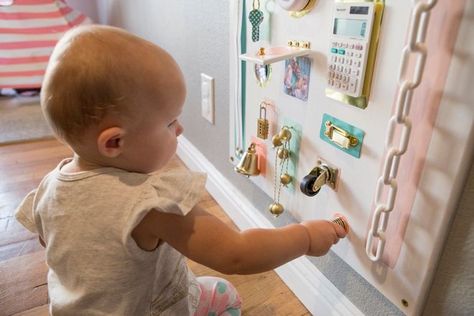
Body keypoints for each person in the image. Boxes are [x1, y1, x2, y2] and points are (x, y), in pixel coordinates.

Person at [15, 25, 349, 315]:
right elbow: (237, 254)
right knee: (225, 295)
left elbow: (53, 242)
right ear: (114, 142)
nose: (180, 130)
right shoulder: (149, 203)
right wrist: (305, 237)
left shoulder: (48, 187)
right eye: (170, 121)